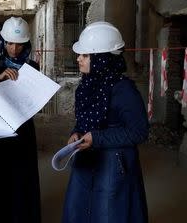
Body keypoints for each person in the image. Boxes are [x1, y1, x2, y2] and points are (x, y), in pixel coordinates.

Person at [62, 21, 149, 223]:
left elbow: (139, 131)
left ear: (101, 59)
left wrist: (98, 137)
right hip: (86, 159)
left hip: (113, 164)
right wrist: (77, 132)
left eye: (85, 55)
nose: (78, 59)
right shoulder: (87, 85)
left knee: (108, 213)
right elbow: (85, 120)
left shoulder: (123, 90)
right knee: (80, 210)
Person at [0, 17, 41, 223]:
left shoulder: (32, 67)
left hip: (22, 131)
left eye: (19, 43)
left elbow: (33, 97)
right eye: (10, 43)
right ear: (3, 42)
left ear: (26, 44)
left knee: (21, 179)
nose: (14, 49)